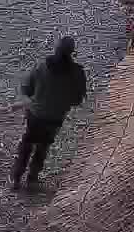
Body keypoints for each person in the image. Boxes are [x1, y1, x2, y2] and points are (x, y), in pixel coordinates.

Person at [13, 35, 87, 191]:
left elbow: (26, 89)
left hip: (36, 115)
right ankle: (32, 178)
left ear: (56, 49)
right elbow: (77, 100)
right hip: (55, 117)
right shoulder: (77, 73)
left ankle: (16, 178)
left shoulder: (41, 67)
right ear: (72, 52)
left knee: (26, 145)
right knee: (43, 147)